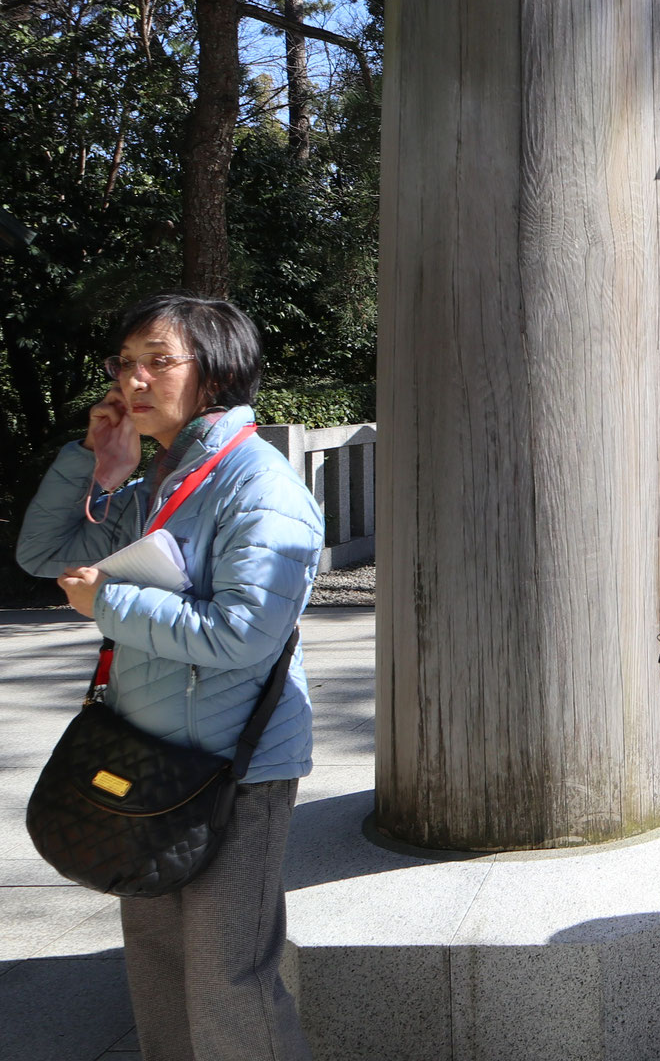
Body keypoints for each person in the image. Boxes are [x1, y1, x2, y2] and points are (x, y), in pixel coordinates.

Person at [18, 294, 325, 1061]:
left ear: (213, 376)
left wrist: (111, 603)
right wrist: (94, 464)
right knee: (156, 965)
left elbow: (245, 634)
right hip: (145, 755)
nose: (135, 378)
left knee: (230, 978)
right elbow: (44, 556)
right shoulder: (157, 481)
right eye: (127, 361)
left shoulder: (259, 485)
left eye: (160, 360)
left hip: (234, 767)